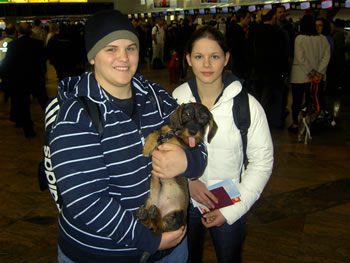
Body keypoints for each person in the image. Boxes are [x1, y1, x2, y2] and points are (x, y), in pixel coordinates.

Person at [48, 10, 207, 263]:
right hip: (101, 254)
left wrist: (189, 162)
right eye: (111, 49)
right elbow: (85, 201)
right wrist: (148, 240)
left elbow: (197, 141)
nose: (123, 57)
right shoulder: (75, 115)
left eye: (130, 48)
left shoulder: (157, 96)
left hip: (171, 249)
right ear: (92, 56)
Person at [172, 25, 274, 263]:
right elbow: (165, 150)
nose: (207, 64)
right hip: (186, 203)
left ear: (226, 58)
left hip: (231, 200)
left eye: (214, 56)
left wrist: (231, 210)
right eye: (199, 57)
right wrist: (189, 182)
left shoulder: (247, 106)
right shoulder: (176, 99)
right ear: (188, 59)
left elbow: (262, 162)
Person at [2, 22, 48, 138]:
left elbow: (8, 63)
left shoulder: (13, 45)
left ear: (18, 32)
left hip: (20, 79)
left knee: (24, 105)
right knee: (44, 102)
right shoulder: (37, 44)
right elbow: (43, 62)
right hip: (36, 78)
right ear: (30, 31)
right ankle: (56, 121)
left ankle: (28, 130)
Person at [289, 15, 330, 133]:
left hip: (299, 76)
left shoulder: (299, 38)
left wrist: (310, 72)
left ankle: (295, 124)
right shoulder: (323, 39)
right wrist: (319, 72)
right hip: (317, 78)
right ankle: (311, 122)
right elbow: (326, 57)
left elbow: (300, 58)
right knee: (312, 101)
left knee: (296, 100)